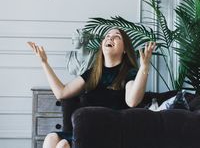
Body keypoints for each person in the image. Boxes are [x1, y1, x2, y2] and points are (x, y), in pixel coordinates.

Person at [28, 28, 156, 148]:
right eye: (107, 36)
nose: (110, 38)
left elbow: (132, 101)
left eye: (117, 37)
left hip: (107, 134)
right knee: (51, 138)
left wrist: (144, 69)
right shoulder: (93, 73)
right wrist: (44, 63)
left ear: (125, 49)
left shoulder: (129, 73)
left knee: (62, 145)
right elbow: (61, 93)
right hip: (83, 130)